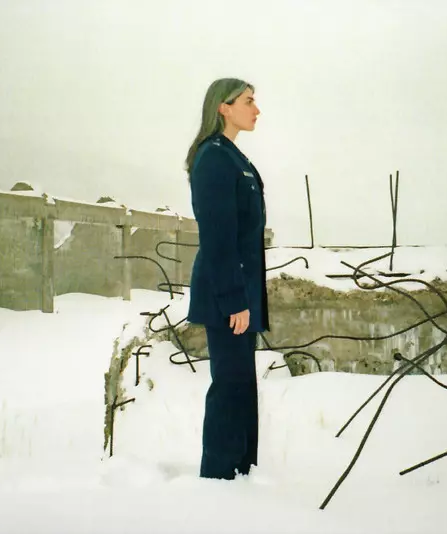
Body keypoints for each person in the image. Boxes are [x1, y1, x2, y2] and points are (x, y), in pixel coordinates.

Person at [185, 78, 269, 480]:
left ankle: (241, 473)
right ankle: (219, 478)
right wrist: (235, 299)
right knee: (229, 388)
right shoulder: (214, 158)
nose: (256, 110)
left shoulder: (233, 157)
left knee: (241, 387)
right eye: (248, 101)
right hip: (227, 296)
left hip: (240, 293)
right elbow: (218, 238)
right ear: (224, 107)